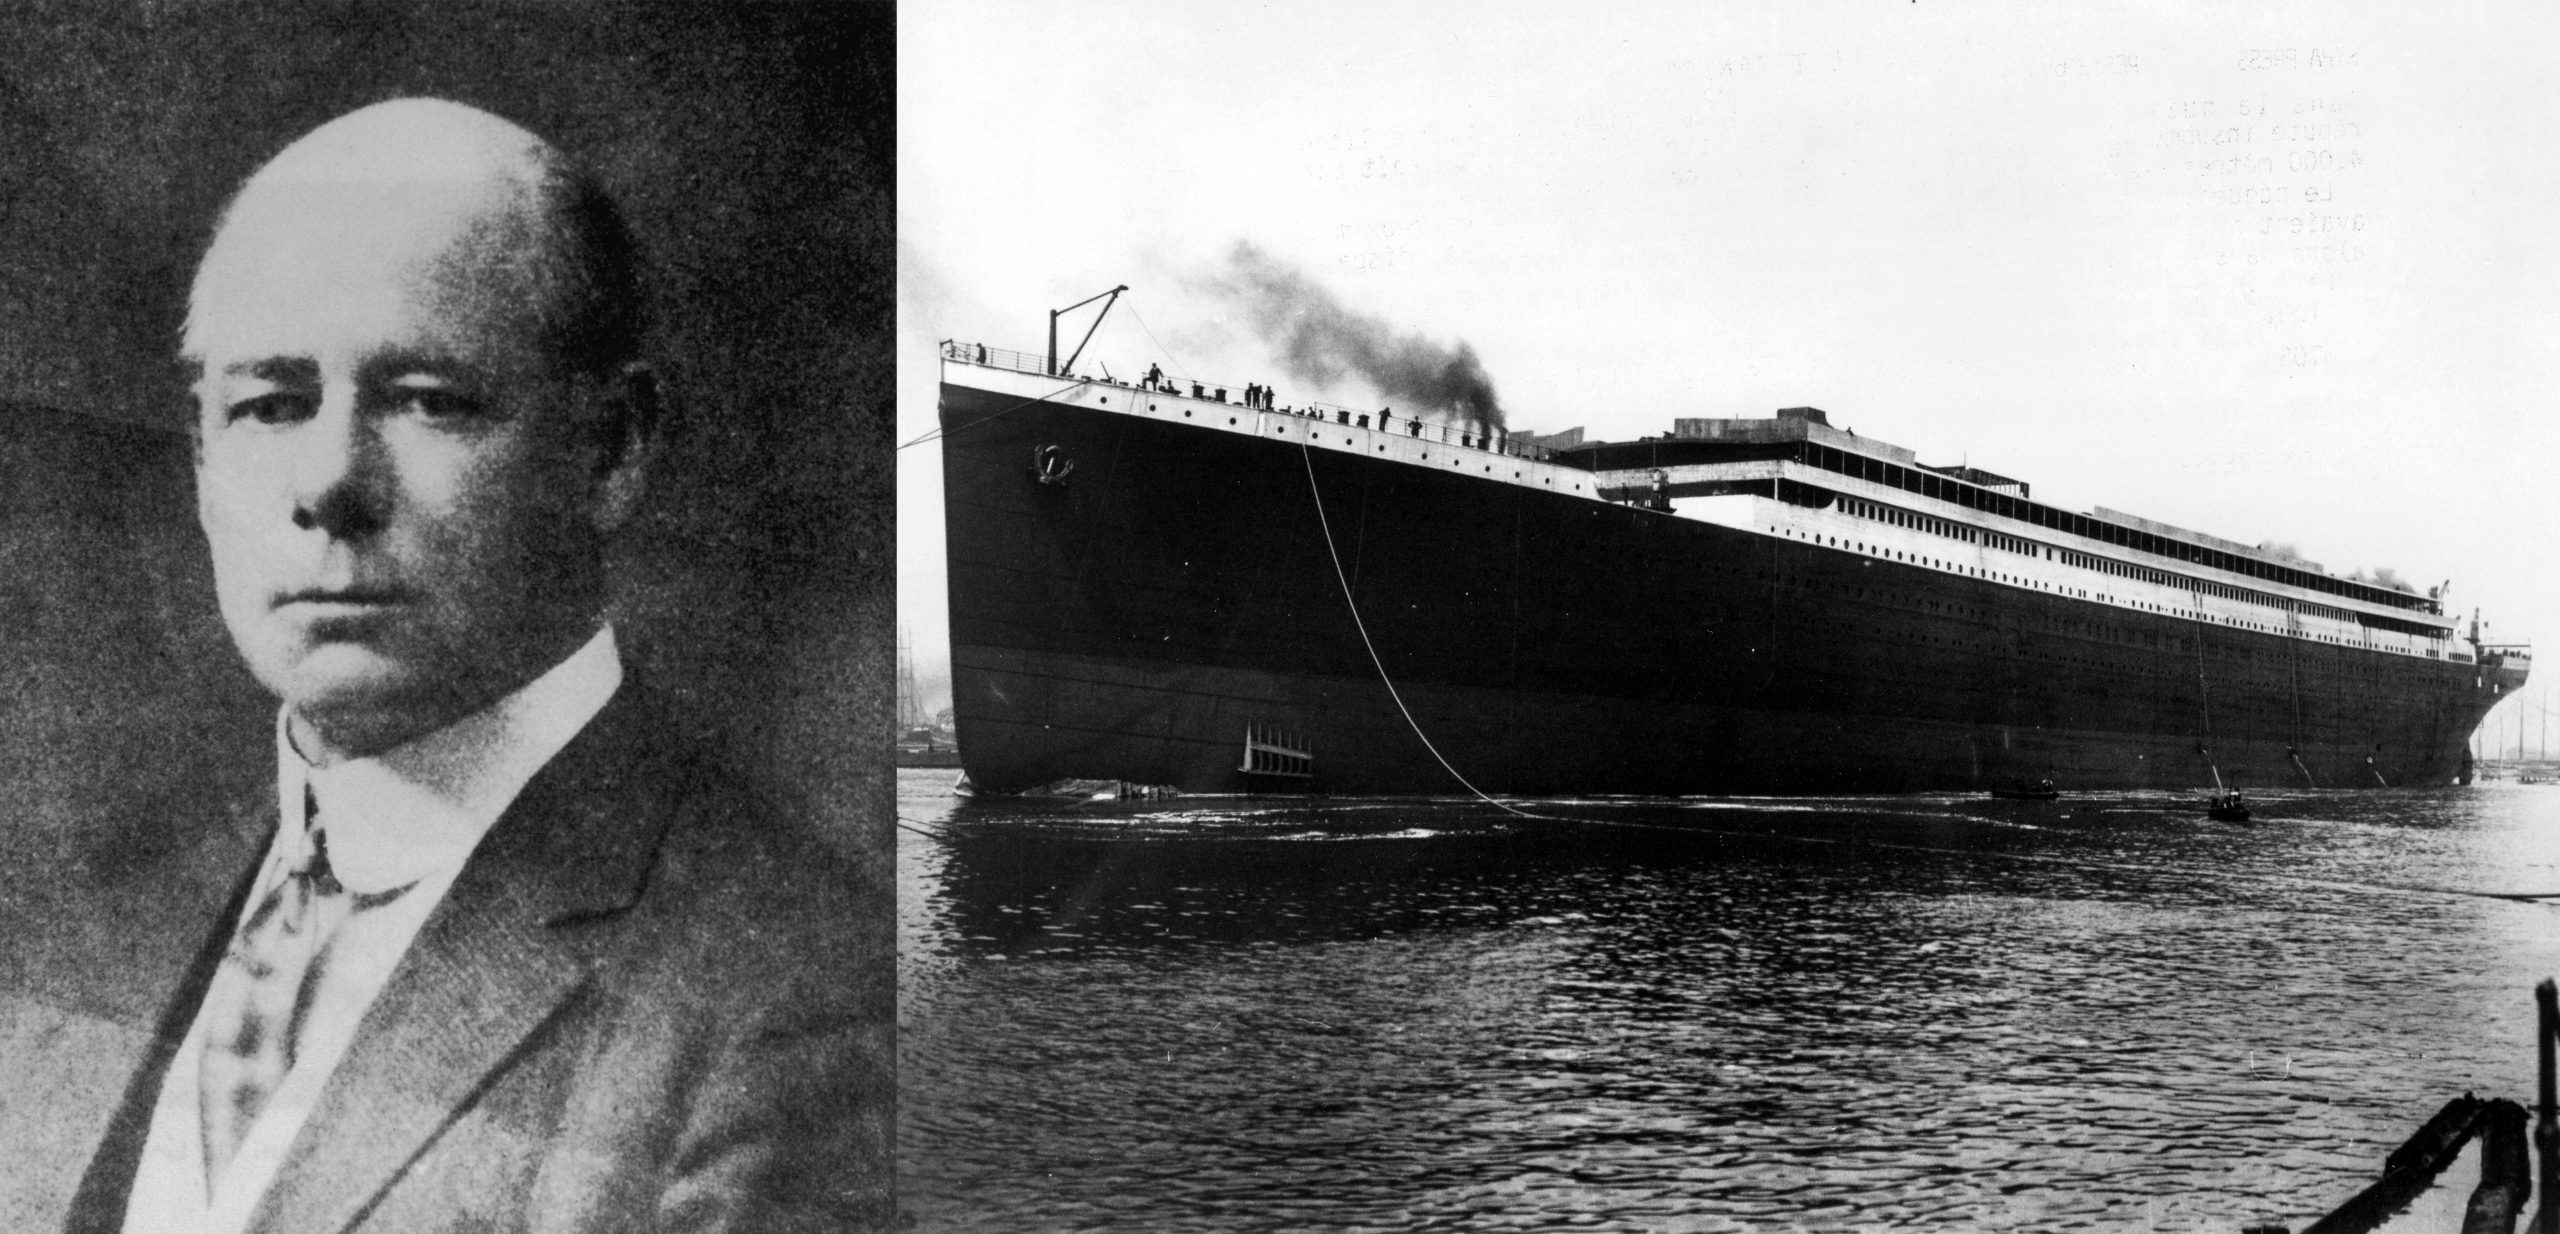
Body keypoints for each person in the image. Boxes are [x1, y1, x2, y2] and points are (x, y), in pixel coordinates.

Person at [59, 98, 884, 1231]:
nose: (330, 483)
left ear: (611, 448)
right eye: (270, 403)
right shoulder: (88, 918)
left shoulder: (802, 1004)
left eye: (427, 401)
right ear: (202, 458)